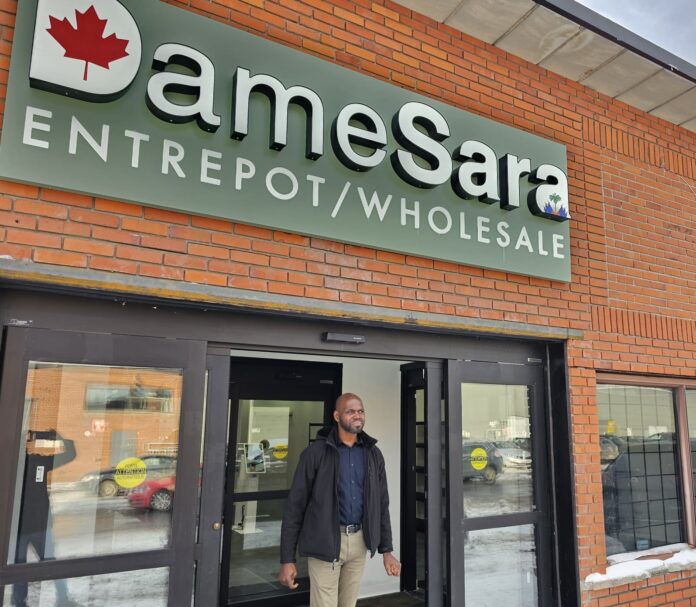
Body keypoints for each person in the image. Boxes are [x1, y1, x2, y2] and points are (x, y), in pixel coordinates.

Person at [278, 393, 401, 607]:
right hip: (325, 541)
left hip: (359, 542)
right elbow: (295, 507)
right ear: (337, 416)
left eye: (361, 411)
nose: (357, 415)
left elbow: (381, 504)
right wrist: (287, 559)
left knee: (348, 604)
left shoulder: (373, 455)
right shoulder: (315, 454)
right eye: (350, 411)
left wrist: (387, 550)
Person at [13, 429, 80, 607]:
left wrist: (58, 438)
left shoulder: (36, 461)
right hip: (23, 528)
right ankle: (21, 602)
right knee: (24, 567)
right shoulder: (22, 464)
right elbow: (70, 454)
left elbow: (70, 455)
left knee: (24, 567)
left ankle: (59, 598)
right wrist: (58, 438)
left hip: (35, 526)